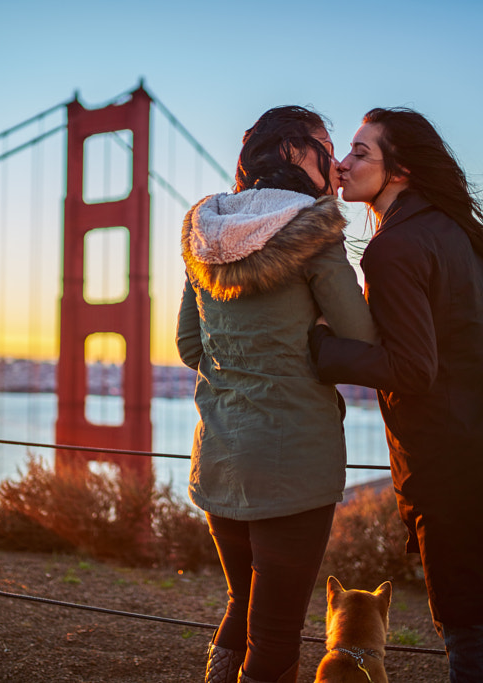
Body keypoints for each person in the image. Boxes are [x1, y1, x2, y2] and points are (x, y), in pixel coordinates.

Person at [310, 108, 483, 682]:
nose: (341, 163)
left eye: (360, 153)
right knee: (478, 623)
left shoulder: (391, 248)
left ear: (399, 170)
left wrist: (321, 348)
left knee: (468, 634)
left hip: (448, 471)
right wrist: (468, 391)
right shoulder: (455, 231)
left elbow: (410, 368)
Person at [176, 105, 377, 683]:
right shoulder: (316, 229)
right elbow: (359, 340)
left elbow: (190, 344)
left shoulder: (203, 228)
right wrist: (311, 338)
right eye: (325, 145)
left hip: (218, 458)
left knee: (244, 604)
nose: (338, 165)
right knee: (276, 635)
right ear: (292, 152)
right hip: (294, 468)